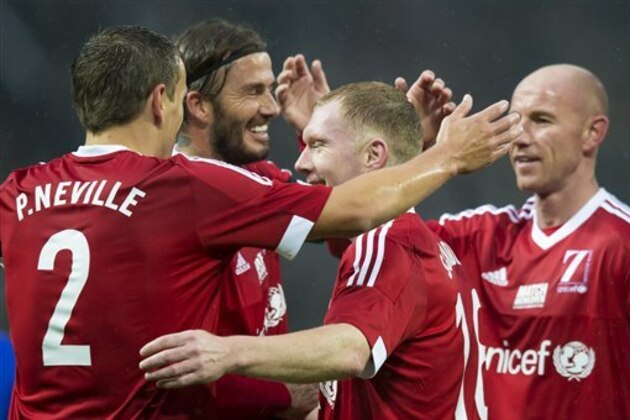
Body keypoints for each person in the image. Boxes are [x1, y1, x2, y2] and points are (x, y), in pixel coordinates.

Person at [0, 26, 520, 418]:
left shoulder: (18, 192)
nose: (271, 111)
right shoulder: (190, 187)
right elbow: (355, 211)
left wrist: (375, 147)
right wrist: (444, 158)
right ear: (167, 101)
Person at [139, 82, 477, 419]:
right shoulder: (421, 241)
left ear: (374, 155)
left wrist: (227, 352)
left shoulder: (387, 242)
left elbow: (350, 349)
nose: (300, 161)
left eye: (317, 145)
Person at [427, 64, 630, 419]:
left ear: (592, 133)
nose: (519, 138)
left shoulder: (621, 245)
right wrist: (422, 156)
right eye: (517, 122)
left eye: (542, 120)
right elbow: (368, 244)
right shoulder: (480, 238)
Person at [173, 19, 316, 418]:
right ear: (198, 105)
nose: (271, 108)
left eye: (270, 89)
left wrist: (313, 134)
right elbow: (168, 374)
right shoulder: (167, 200)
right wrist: (284, 396)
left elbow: (353, 229)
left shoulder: (259, 180)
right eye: (253, 92)